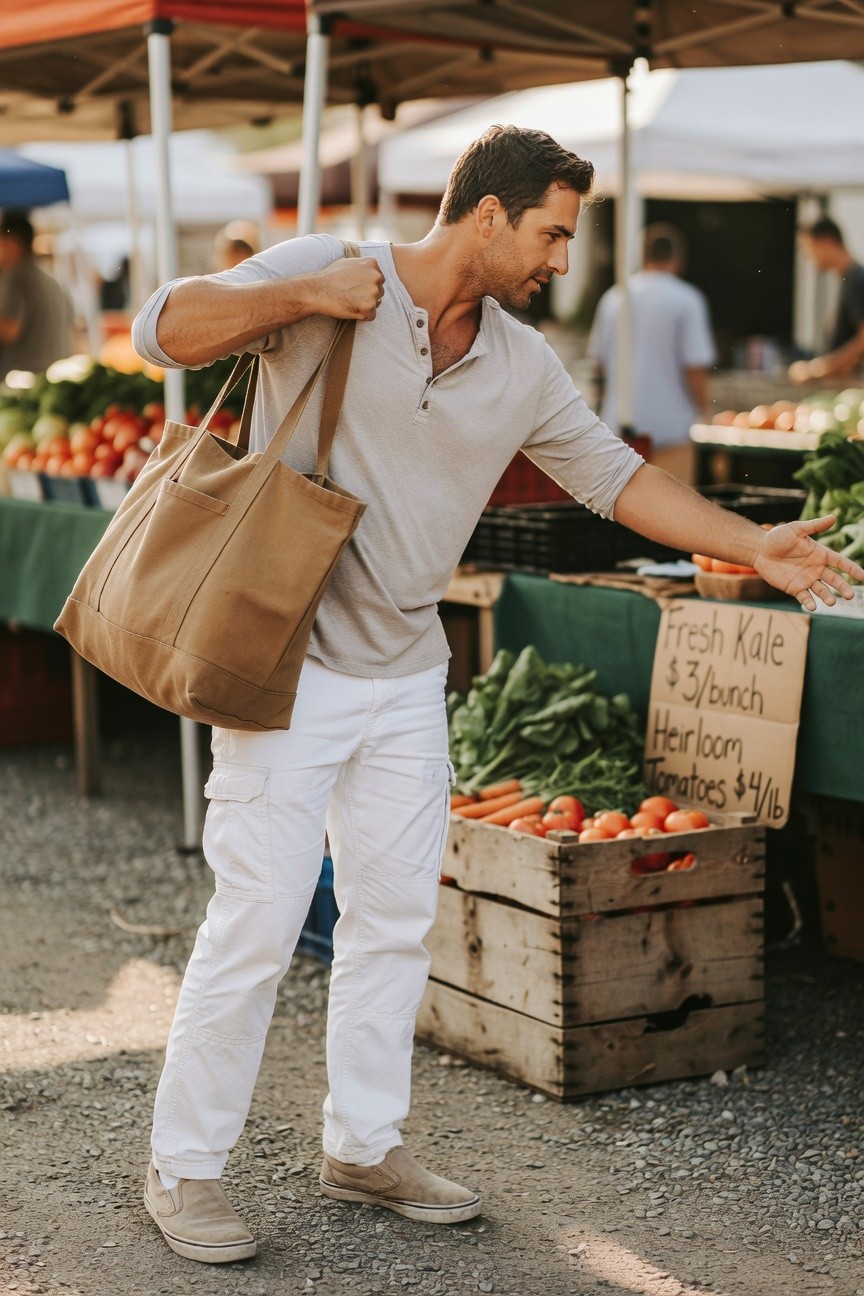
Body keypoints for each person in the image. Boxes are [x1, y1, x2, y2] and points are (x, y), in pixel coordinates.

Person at [131, 125, 860, 1266]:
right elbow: (159, 330)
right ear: (487, 213)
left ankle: (363, 1144)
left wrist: (753, 546)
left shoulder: (522, 363)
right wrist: (305, 294)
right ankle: (185, 1168)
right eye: (553, 233)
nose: (562, 259)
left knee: (391, 927)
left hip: (408, 675)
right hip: (286, 668)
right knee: (258, 924)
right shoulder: (338, 271)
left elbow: (618, 480)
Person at [587, 223, 716, 483]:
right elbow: (695, 368)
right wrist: (705, 412)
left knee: (622, 518)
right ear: (677, 258)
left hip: (618, 431)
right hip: (670, 430)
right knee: (675, 517)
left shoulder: (614, 298)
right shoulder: (687, 299)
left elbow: (598, 365)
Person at [789, 216, 864, 385]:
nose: (808, 257)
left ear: (825, 242)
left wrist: (821, 368)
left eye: (808, 248)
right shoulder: (847, 279)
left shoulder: (857, 280)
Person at [0, 211, 75, 378]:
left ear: (11, 244)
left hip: (20, 383)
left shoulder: (15, 277)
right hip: (52, 379)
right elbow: (73, 330)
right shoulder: (52, 281)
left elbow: (9, 330)